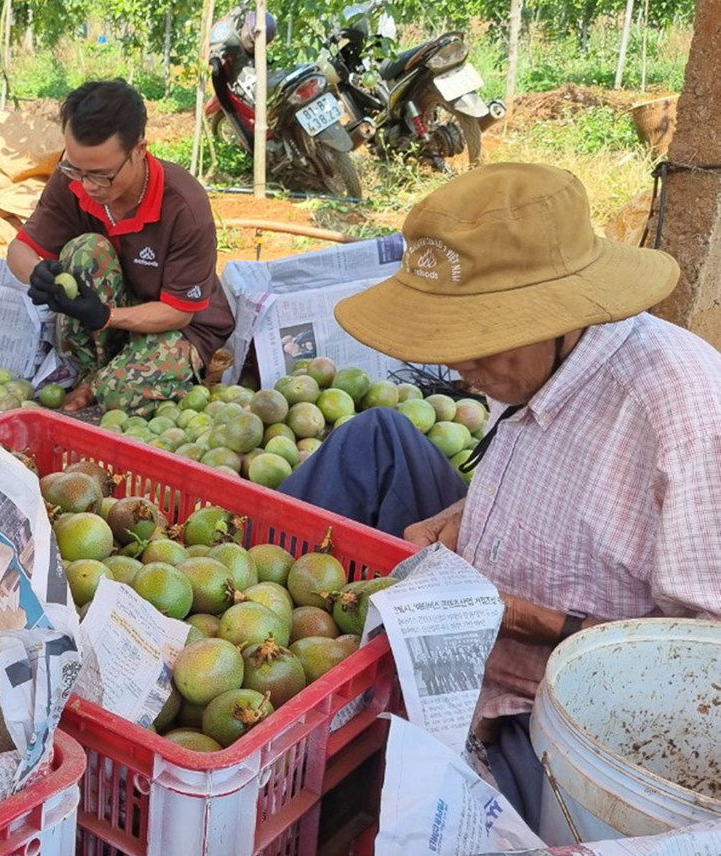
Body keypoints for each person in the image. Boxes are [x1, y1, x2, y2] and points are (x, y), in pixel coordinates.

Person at [279, 162, 721, 828]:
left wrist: (507, 613)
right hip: (479, 590)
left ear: (563, 314)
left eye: (478, 342)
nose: (459, 366)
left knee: (437, 816)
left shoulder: (682, 413)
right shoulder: (529, 359)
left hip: (544, 702)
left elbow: (698, 665)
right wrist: (456, 521)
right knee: (375, 438)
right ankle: (261, 619)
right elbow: (532, 483)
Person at [6, 79, 234, 414]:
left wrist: (105, 315)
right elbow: (18, 249)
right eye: (76, 168)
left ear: (139, 150)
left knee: (117, 395)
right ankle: (93, 370)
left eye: (101, 175)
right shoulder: (73, 180)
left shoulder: (184, 205)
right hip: (112, 320)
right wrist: (36, 272)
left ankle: (108, 380)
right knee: (86, 249)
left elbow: (180, 311)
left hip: (181, 326)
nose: (87, 185)